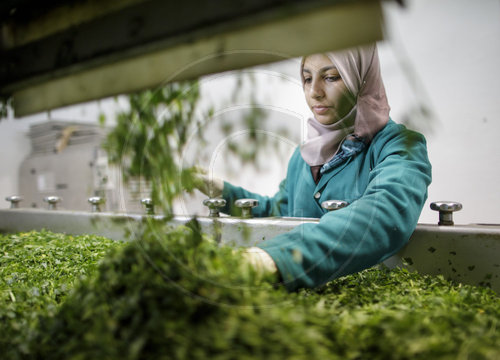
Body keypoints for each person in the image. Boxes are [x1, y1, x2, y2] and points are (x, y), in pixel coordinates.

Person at [198, 44, 432, 291]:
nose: (315, 92)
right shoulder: (303, 157)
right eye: (307, 78)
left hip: (367, 296)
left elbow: (386, 213)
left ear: (361, 79)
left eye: (331, 77)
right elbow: (279, 211)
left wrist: (277, 260)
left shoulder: (399, 146)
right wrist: (223, 192)